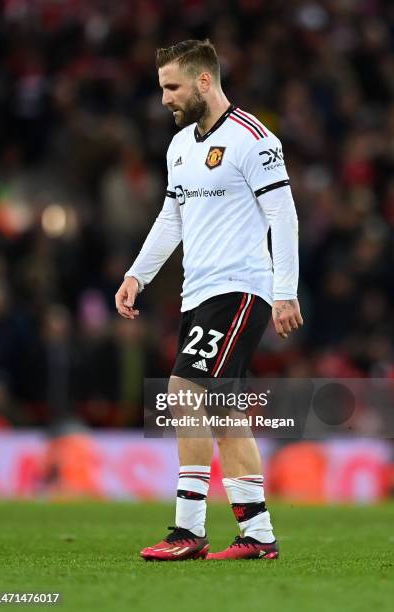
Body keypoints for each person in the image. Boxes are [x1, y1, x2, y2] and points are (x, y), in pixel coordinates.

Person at [115, 39, 303, 561]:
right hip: (197, 292)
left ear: (203, 81)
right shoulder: (180, 147)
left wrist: (284, 290)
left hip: (241, 288)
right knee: (224, 412)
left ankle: (188, 530)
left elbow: (282, 216)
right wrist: (138, 274)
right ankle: (258, 534)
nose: (164, 99)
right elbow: (172, 217)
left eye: (171, 87)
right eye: (161, 88)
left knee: (183, 390)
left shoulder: (253, 139)